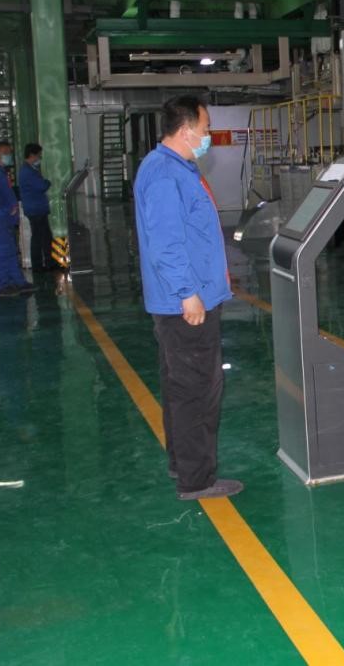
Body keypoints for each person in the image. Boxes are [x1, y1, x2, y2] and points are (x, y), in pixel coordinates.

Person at [134, 96, 241, 501]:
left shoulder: (173, 167)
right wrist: (188, 295)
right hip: (186, 304)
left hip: (184, 299)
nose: (208, 135)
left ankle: (182, 464)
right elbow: (166, 244)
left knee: (181, 388)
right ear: (185, 131)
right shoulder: (165, 174)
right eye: (205, 128)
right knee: (199, 391)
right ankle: (197, 480)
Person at [0, 141, 34, 297]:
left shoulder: (1, 172)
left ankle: (18, 281)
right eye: (5, 153)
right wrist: (7, 210)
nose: (9, 156)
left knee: (11, 251)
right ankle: (1, 285)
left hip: (5, 220)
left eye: (9, 153)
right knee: (1, 253)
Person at [19, 144, 56, 273]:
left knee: (44, 236)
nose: (40, 158)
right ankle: (38, 265)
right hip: (36, 209)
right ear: (32, 155)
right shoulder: (28, 172)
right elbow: (42, 186)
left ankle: (48, 262)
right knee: (39, 237)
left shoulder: (29, 170)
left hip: (36, 208)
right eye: (39, 155)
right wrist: (47, 182)